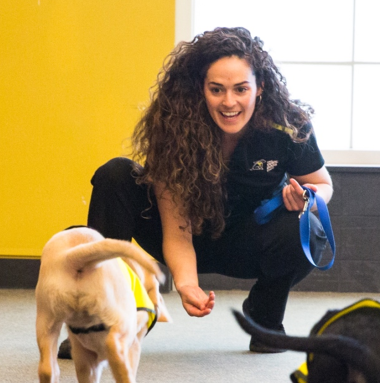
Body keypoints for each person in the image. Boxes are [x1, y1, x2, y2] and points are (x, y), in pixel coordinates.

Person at [61, 26, 333, 356]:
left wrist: (308, 199)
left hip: (248, 241)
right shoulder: (175, 127)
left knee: (307, 230)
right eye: (216, 89)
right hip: (182, 235)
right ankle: (110, 320)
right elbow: (177, 232)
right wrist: (186, 283)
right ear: (200, 89)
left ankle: (265, 321)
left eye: (241, 89)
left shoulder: (289, 125)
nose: (229, 102)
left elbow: (322, 184)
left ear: (260, 88)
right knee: (115, 175)